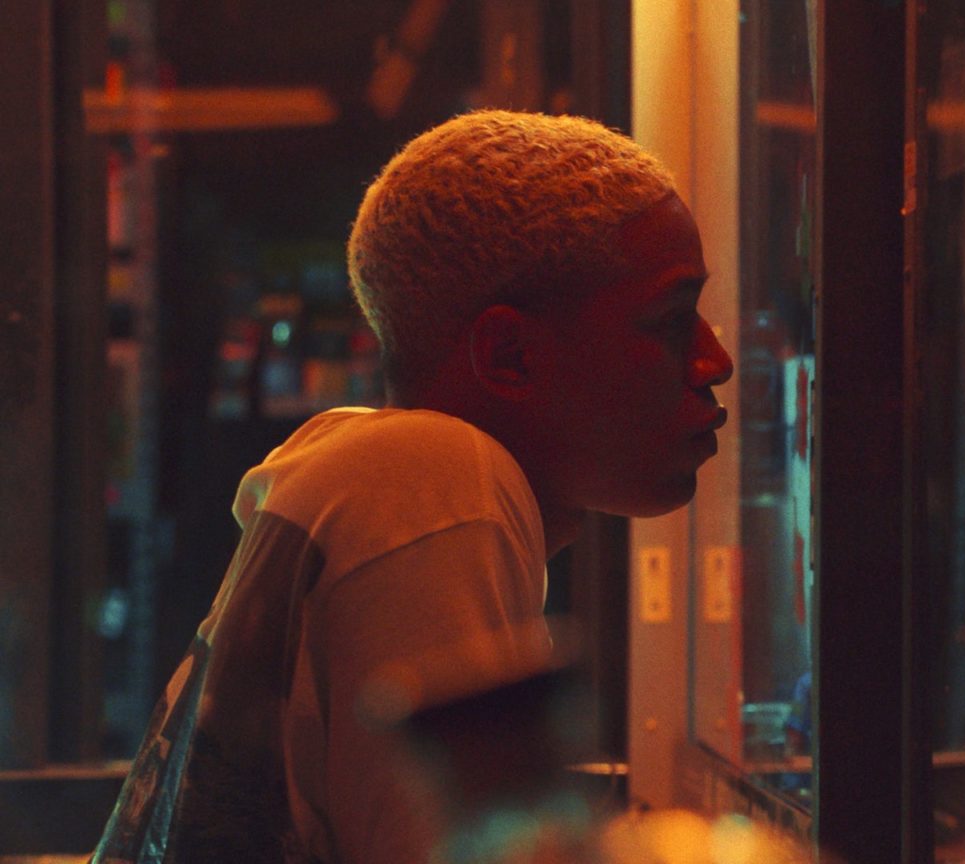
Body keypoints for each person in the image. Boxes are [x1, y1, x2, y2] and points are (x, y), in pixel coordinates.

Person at [93, 110, 734, 864]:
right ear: (510, 355)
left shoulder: (373, 478)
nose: (714, 360)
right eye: (672, 319)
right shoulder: (432, 482)